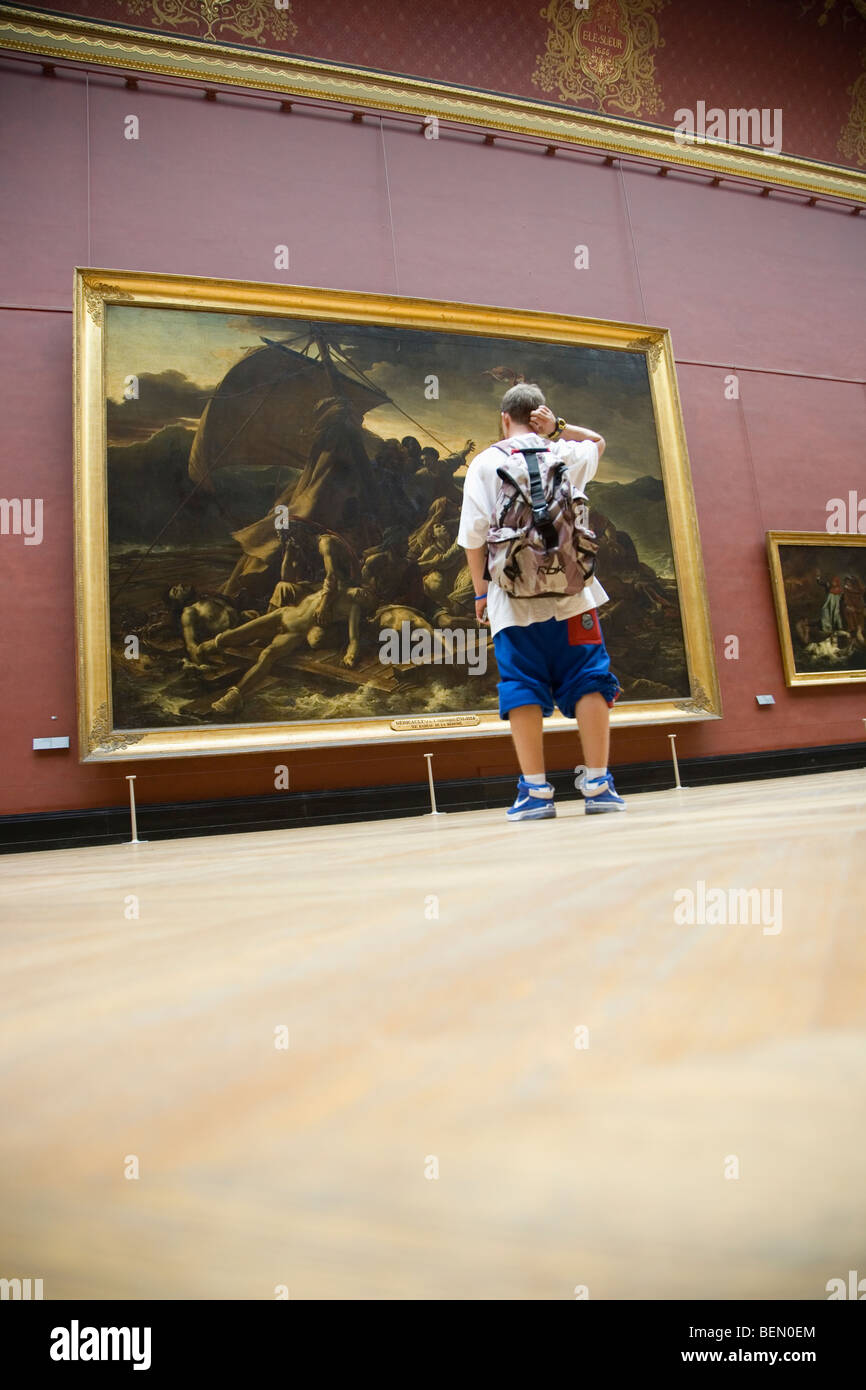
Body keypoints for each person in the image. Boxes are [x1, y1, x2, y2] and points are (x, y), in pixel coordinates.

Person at [457, 383, 623, 820]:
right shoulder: (562, 453)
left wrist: (479, 593)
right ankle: (599, 786)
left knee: (521, 685)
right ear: (539, 415)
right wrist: (560, 429)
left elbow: (473, 538)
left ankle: (535, 793)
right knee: (589, 677)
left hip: (512, 600)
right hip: (574, 597)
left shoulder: (486, 463)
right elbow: (599, 443)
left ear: (502, 417)